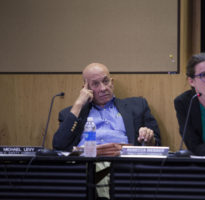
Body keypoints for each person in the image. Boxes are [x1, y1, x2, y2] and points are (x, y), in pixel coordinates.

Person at [52, 62, 161, 199]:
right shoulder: (71, 113)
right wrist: (79, 103)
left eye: (105, 81)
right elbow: (59, 145)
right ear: (86, 89)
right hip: (85, 166)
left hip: (123, 165)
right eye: (95, 84)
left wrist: (149, 137)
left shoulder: (137, 106)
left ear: (112, 82)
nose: (103, 88)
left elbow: (157, 143)